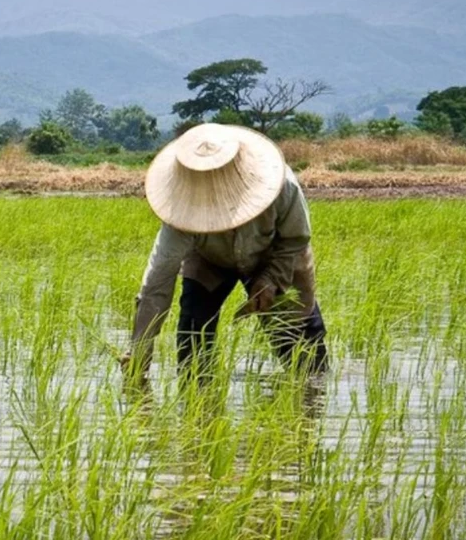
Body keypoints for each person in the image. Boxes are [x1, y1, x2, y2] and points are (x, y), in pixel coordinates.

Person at [123, 123, 327, 388]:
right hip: (208, 260)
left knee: (303, 347)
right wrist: (139, 350)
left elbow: (295, 239)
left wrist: (270, 278)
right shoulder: (179, 213)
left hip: (274, 255)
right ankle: (198, 406)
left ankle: (311, 399)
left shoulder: (282, 186)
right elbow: (157, 284)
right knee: (193, 334)